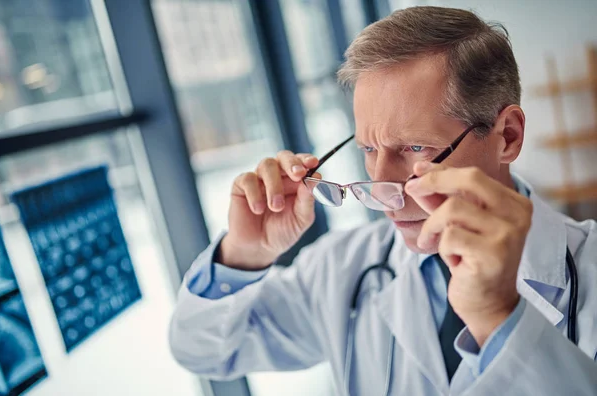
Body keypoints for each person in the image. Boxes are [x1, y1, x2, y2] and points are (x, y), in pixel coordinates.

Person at [169, 6, 597, 395]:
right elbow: (200, 351)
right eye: (369, 150)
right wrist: (243, 255)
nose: (383, 192)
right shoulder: (342, 269)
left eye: (414, 148)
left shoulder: (590, 269)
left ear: (507, 136)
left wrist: (500, 316)